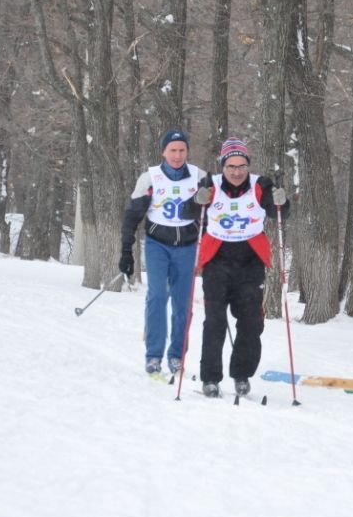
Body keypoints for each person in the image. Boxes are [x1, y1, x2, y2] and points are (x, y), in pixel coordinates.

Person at [182, 137, 289, 398]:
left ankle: (241, 374)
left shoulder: (261, 184)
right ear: (223, 166)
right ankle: (210, 378)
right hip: (217, 261)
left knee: (251, 321)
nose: (237, 171)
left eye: (242, 166)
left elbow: (279, 214)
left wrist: (282, 201)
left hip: (250, 261)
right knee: (215, 322)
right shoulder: (210, 183)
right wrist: (199, 200)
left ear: (248, 165)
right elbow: (188, 213)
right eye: (231, 166)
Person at [120, 130, 206, 376]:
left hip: (188, 246)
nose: (177, 156)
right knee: (158, 297)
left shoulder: (200, 177)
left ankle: (177, 355)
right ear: (163, 152)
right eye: (172, 150)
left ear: (187, 151)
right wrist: (126, 250)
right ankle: (154, 355)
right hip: (158, 244)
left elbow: (213, 211)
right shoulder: (150, 178)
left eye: (181, 150)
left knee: (183, 304)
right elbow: (132, 216)